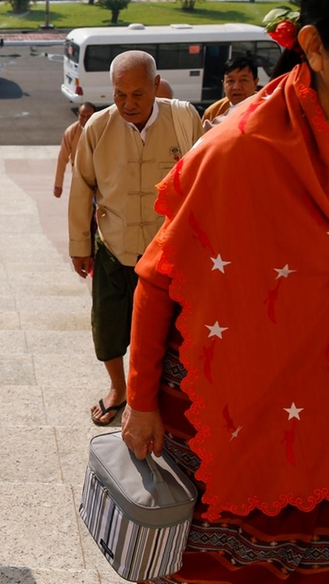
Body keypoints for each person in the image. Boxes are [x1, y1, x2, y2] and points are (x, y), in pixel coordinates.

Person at [121, 0, 329, 582]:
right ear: (315, 46)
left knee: (322, 551)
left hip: (328, 385)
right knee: (221, 561)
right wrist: (139, 402)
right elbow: (157, 275)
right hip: (227, 398)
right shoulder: (240, 150)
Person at [68, 51, 201, 426]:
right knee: (108, 326)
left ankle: (167, 391)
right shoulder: (97, 126)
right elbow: (82, 186)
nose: (128, 104)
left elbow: (204, 180)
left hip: (170, 251)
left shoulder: (182, 118)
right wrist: (79, 245)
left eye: (138, 94)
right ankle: (118, 388)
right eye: (119, 95)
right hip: (114, 247)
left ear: (156, 86)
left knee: (173, 329)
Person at [201, 54, 260, 126]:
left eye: (243, 80)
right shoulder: (213, 112)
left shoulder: (268, 108)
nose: (236, 87)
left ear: (255, 82)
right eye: (230, 81)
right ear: (223, 83)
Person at [53, 102, 96, 198]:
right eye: (82, 116)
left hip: (99, 177)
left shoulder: (102, 131)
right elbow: (62, 158)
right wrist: (58, 185)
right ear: (78, 115)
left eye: (89, 116)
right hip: (79, 177)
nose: (85, 120)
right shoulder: (71, 132)